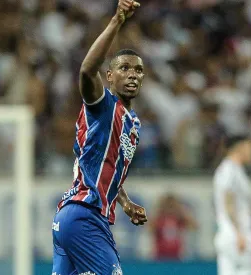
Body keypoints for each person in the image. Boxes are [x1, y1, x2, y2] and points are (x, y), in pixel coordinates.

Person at [51, 1, 148, 274]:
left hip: (70, 218)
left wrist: (126, 203)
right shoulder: (103, 106)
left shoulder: (133, 122)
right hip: (86, 216)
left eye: (138, 70)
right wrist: (117, 21)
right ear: (109, 76)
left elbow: (106, 170)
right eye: (125, 68)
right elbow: (85, 71)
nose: (132, 74)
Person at [213, 135, 251, 275]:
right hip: (236, 235)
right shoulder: (228, 170)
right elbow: (228, 200)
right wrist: (238, 233)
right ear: (241, 147)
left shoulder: (236, 170)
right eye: (250, 147)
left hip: (233, 235)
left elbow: (241, 200)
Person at [151, 194, 198, 260]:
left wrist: (182, 212)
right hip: (160, 255)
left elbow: (194, 226)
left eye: (172, 206)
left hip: (177, 255)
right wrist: (158, 211)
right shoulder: (159, 219)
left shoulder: (179, 219)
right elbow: (149, 228)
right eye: (168, 205)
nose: (170, 208)